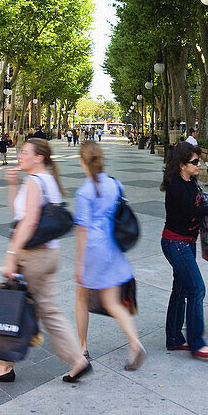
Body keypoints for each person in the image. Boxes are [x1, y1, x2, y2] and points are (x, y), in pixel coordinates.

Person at [0, 138, 91, 384]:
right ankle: (74, 358)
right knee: (45, 309)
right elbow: (19, 213)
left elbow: (28, 223)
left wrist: (11, 255)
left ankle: (5, 364)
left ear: (38, 158)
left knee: (14, 305)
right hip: (50, 255)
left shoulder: (34, 182)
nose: (20, 155)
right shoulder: (47, 180)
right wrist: (11, 185)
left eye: (25, 152)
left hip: (34, 256)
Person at [73, 142, 145, 370]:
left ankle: (82, 348)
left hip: (94, 250)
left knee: (82, 299)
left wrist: (79, 262)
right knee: (113, 302)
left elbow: (82, 231)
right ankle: (134, 343)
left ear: (82, 162)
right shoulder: (115, 184)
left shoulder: (84, 192)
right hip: (112, 245)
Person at [161, 142, 208, 359]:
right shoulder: (175, 183)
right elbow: (191, 211)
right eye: (195, 162)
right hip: (175, 243)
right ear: (182, 165)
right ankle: (196, 342)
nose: (199, 165)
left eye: (199, 160)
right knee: (196, 289)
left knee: (181, 289)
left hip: (188, 241)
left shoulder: (191, 181)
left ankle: (175, 338)